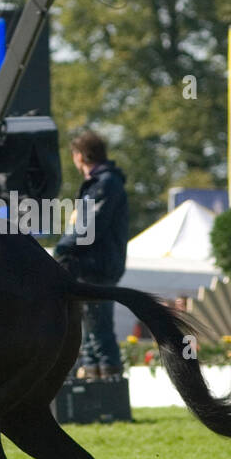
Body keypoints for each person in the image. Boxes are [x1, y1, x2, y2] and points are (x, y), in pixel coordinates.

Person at [54, 129, 129, 380]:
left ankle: (109, 388)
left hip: (97, 266)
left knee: (99, 331)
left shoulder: (105, 183)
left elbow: (90, 225)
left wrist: (62, 248)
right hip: (92, 265)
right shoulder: (103, 182)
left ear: (79, 156)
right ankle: (95, 387)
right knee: (90, 333)